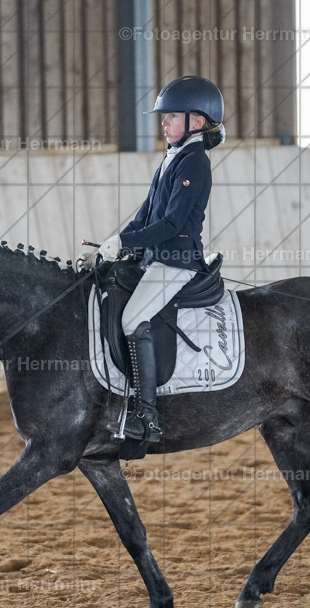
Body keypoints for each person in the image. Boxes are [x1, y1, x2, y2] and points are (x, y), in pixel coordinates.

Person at [94, 75, 225, 444]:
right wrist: (116, 244)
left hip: (176, 261)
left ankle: (146, 416)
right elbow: (146, 214)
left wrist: (124, 240)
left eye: (170, 116)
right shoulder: (173, 157)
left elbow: (170, 224)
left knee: (133, 319)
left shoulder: (195, 162)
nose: (163, 122)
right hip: (155, 257)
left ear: (196, 121)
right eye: (163, 117)